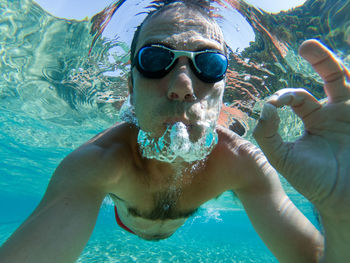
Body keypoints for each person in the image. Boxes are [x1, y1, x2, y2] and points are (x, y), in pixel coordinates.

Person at [1, 1, 349, 262]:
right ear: (131, 87)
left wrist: (340, 214)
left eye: (208, 64)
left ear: (224, 88)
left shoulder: (241, 162)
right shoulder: (99, 162)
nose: (183, 85)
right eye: (155, 60)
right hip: (128, 222)